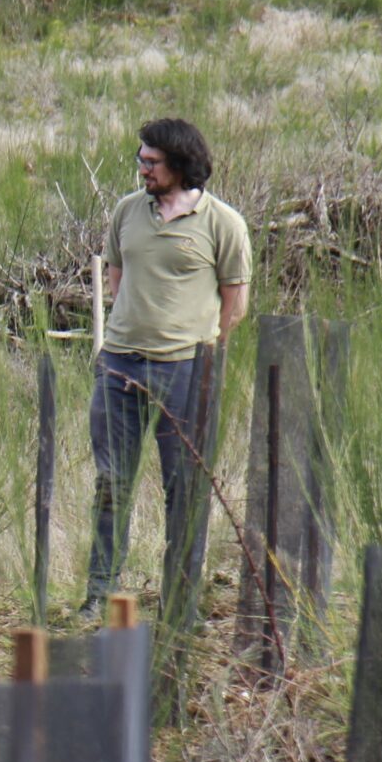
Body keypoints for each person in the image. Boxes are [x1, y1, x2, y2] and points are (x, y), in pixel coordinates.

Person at [82, 117, 252, 620]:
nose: (142, 169)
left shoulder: (223, 223)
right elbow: (117, 277)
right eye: (141, 159)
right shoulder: (126, 213)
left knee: (185, 489)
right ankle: (100, 593)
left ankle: (181, 603)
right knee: (112, 481)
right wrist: (131, 330)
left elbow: (235, 303)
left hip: (185, 371)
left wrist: (205, 353)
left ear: (180, 164)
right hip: (119, 364)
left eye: (152, 162)